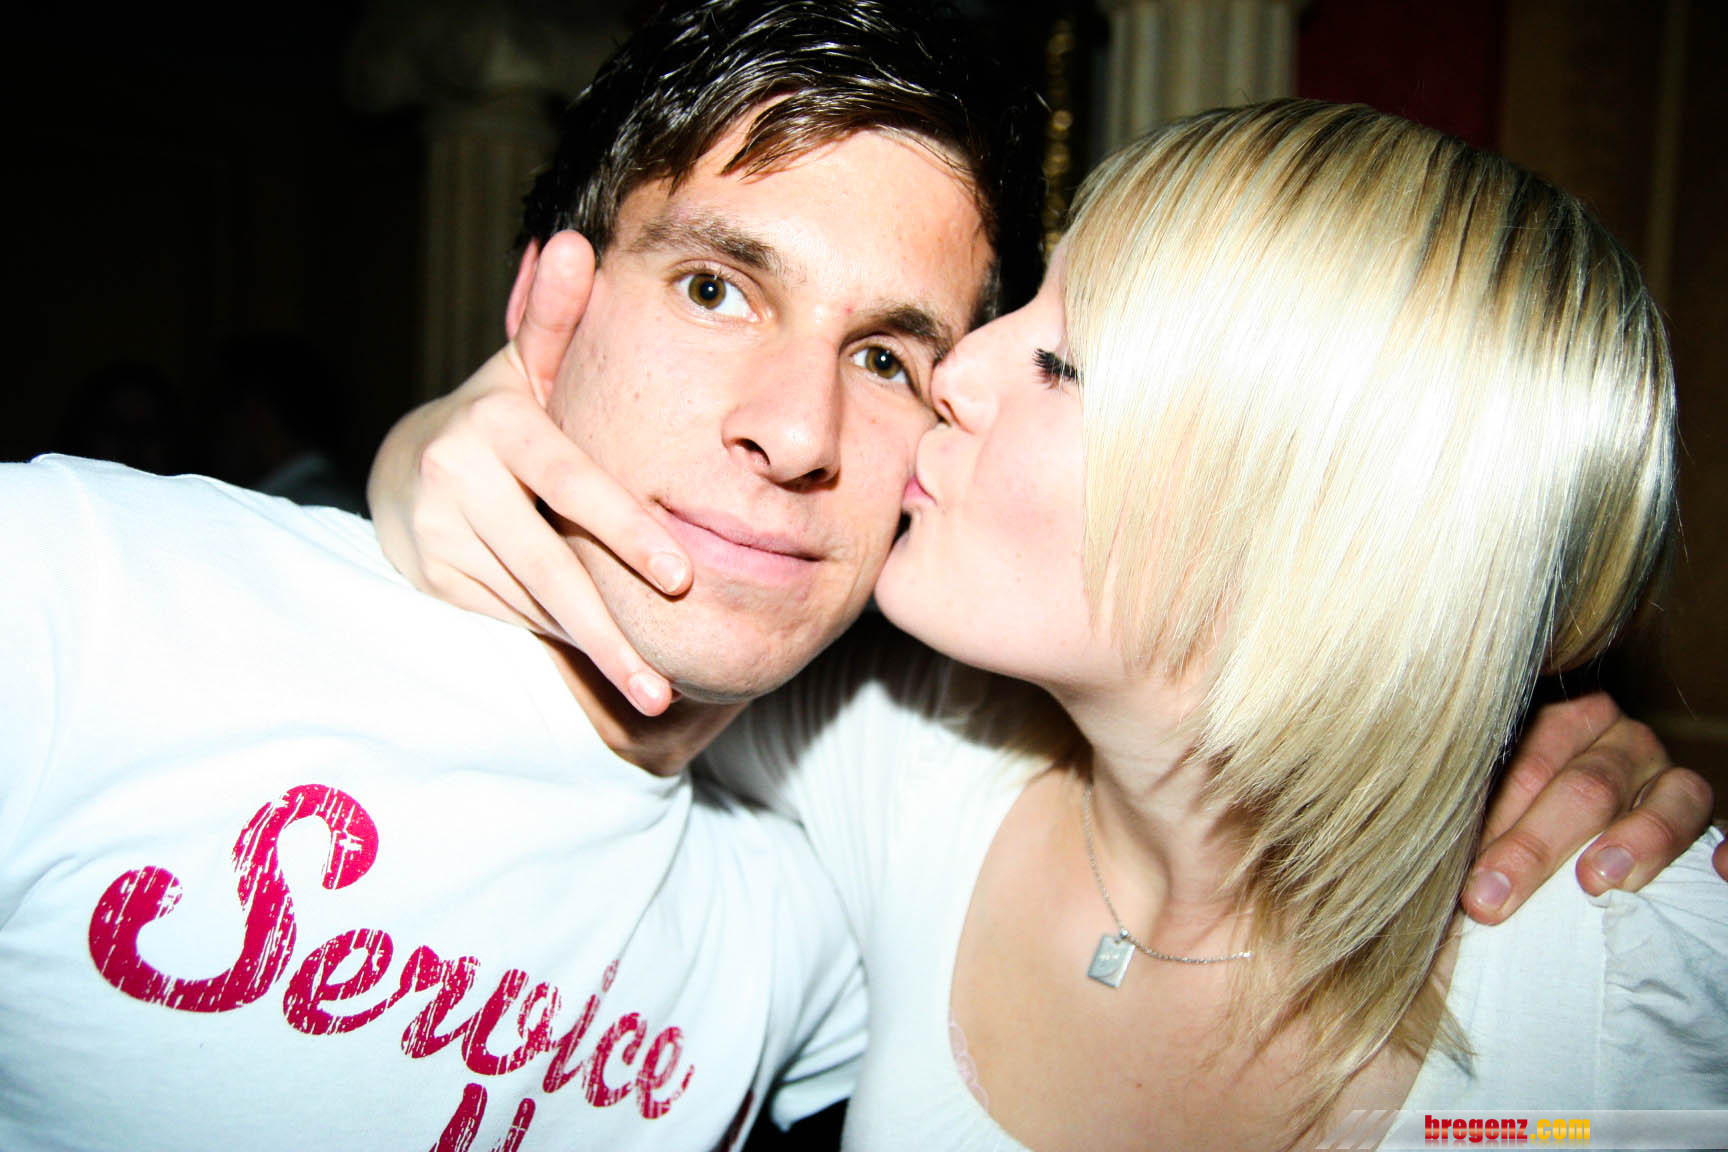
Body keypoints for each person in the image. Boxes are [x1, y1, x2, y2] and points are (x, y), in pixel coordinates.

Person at [371, 100, 1727, 1148]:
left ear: (1311, 523)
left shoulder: (1628, 989)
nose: (951, 371)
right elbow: (642, 631)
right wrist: (434, 444)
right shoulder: (903, 761)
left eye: (1063, 361)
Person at [0, 2, 1033, 1148]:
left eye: (884, 359)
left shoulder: (815, 921)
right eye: (714, 289)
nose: (798, 434)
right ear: (551, 311)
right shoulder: (75, 596)